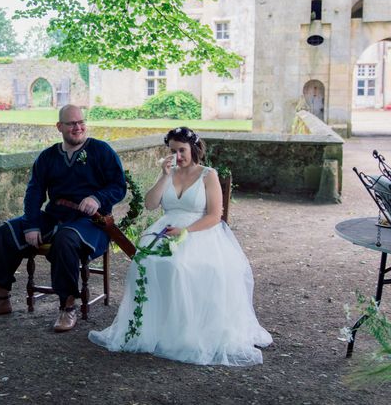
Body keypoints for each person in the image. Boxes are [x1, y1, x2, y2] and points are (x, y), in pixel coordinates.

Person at [89, 127, 272, 365]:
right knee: (145, 260)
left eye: (182, 150)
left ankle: (182, 331)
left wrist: (186, 232)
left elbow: (216, 215)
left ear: (194, 149)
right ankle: (151, 327)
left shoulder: (208, 174)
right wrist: (164, 175)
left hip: (200, 230)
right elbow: (151, 204)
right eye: (173, 151)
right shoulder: (169, 172)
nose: (178, 156)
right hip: (166, 228)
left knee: (179, 265)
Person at [0, 104, 126, 332]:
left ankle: (67, 306)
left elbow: (119, 187)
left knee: (66, 239)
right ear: (59, 126)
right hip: (55, 216)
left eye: (81, 122)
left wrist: (98, 198)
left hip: (90, 223)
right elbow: (34, 193)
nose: (77, 127)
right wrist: (32, 224)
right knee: (5, 232)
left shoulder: (101, 151)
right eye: (71, 123)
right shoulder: (48, 157)